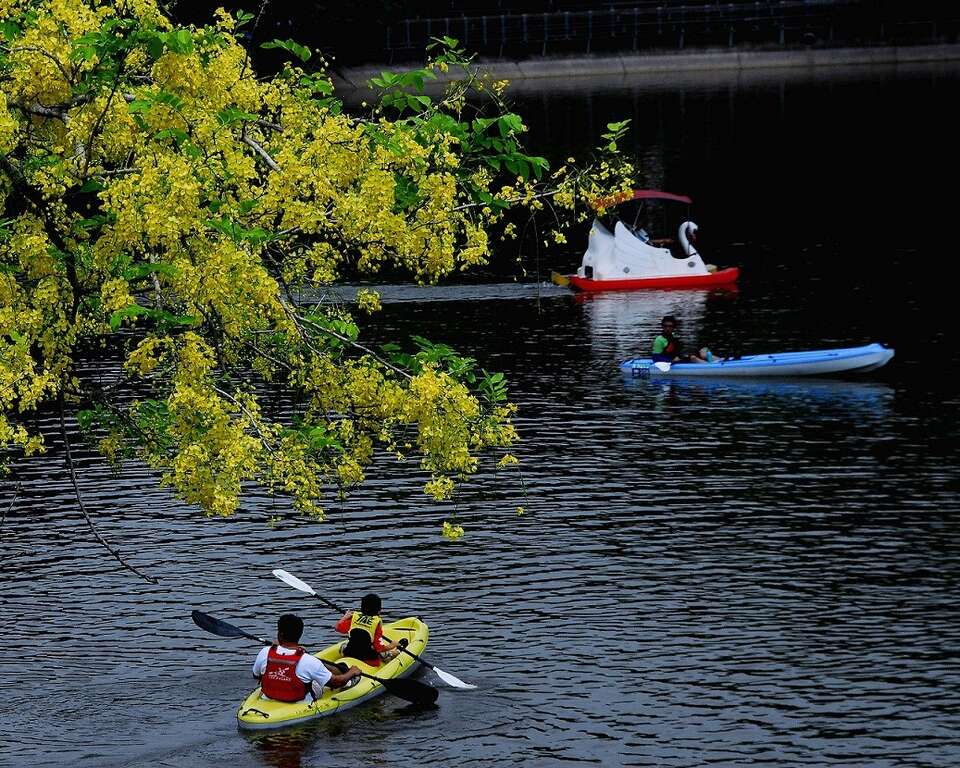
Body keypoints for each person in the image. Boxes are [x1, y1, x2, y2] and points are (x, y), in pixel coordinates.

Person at [253, 614, 361, 702]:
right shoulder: (309, 661)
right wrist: (351, 672)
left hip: (268, 696)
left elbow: (256, 676)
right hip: (300, 700)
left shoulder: (265, 652)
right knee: (320, 678)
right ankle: (349, 682)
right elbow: (336, 683)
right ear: (300, 634)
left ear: (280, 635)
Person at [334, 593, 401, 667]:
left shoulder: (354, 618)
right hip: (369, 660)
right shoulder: (376, 623)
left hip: (349, 654)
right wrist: (392, 645)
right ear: (379, 611)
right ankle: (395, 653)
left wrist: (345, 617)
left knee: (344, 645)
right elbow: (379, 648)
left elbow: (337, 628)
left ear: (361, 608)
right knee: (382, 652)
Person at [651, 315, 718, 364]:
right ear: (662, 327)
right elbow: (655, 357)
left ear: (674, 327)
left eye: (670, 326)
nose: (668, 328)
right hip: (671, 361)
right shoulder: (659, 340)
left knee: (703, 351)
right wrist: (671, 361)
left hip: (679, 358)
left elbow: (678, 350)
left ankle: (721, 361)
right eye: (665, 326)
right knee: (693, 358)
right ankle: (711, 367)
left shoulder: (673, 336)